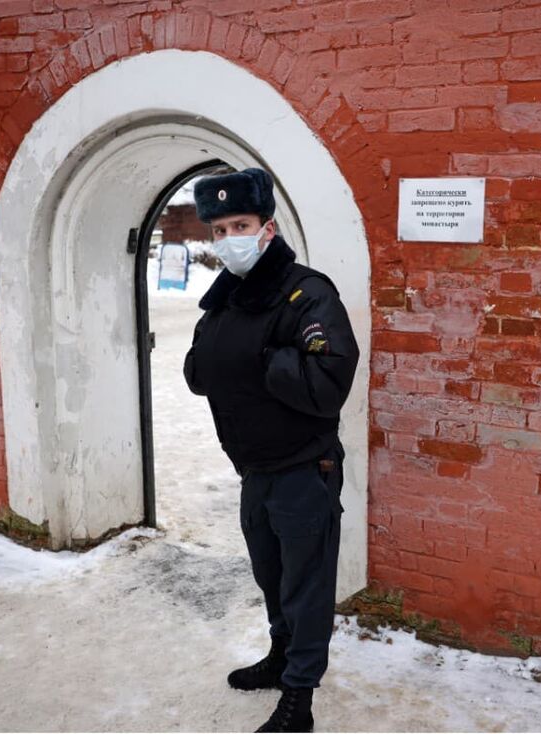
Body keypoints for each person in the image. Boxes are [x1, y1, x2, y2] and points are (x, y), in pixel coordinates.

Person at [183, 167, 359, 733]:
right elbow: (198, 372)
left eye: (240, 224)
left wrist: (258, 358)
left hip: (304, 466)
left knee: (306, 585)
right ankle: (282, 657)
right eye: (218, 229)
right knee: (271, 574)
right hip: (254, 468)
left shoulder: (308, 292)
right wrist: (238, 357)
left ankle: (299, 697)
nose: (228, 236)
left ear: (267, 228)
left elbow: (328, 381)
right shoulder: (225, 300)